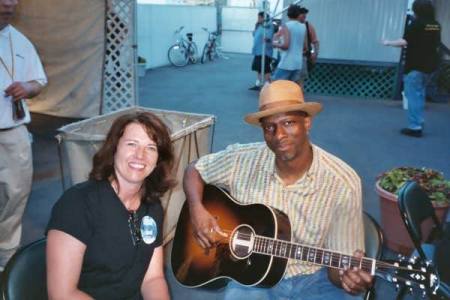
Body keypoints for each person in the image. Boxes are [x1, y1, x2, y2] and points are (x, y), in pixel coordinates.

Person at [183, 80, 373, 299]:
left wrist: (349, 278)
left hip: (313, 277)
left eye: (289, 122)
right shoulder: (241, 160)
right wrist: (197, 210)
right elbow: (194, 170)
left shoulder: (342, 182)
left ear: (307, 122)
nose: (279, 134)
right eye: (269, 127)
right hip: (252, 274)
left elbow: (336, 272)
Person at [46, 112, 175, 299]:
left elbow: (152, 279)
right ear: (114, 149)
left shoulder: (152, 207)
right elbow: (62, 294)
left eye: (151, 148)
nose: (140, 155)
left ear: (158, 161)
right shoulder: (78, 203)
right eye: (132, 144)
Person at [0, 0, 47, 271]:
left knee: (14, 197)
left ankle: (5, 263)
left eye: (13, 0)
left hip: (14, 133)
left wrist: (28, 87)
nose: (9, 4)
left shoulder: (21, 42)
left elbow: (39, 81)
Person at [383, 0, 441, 138]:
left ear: (418, 10)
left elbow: (404, 42)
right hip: (431, 66)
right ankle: (419, 121)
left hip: (416, 65)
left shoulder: (416, 24)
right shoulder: (435, 25)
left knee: (413, 96)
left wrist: (388, 42)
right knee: (419, 94)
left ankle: (415, 127)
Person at [272, 5, 306, 84]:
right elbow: (305, 46)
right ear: (298, 14)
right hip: (298, 63)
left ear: (288, 14)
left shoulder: (286, 25)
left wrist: (274, 44)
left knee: (276, 86)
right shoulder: (303, 27)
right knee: (290, 89)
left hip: (286, 63)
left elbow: (286, 45)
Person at [249, 11, 274, 91]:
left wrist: (267, 39)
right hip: (258, 50)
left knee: (266, 69)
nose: (258, 19)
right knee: (258, 68)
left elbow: (269, 37)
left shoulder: (269, 25)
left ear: (264, 18)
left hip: (265, 51)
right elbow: (254, 34)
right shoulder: (259, 25)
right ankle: (258, 84)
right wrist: (256, 26)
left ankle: (268, 85)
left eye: (259, 17)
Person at [298, 6, 319, 85]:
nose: (304, 18)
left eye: (305, 16)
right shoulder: (290, 25)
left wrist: (315, 53)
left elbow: (315, 41)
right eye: (303, 16)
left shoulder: (308, 26)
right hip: (291, 57)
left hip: (303, 56)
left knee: (300, 79)